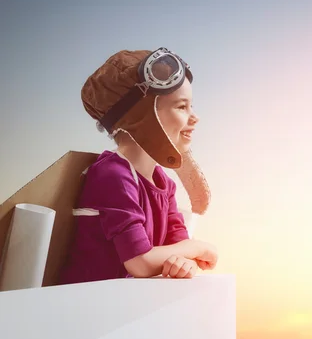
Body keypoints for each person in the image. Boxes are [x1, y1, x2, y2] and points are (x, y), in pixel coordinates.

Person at [59, 47, 218, 284]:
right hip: (87, 308)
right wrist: (194, 249)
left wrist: (186, 260)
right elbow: (140, 263)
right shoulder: (112, 175)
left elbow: (179, 248)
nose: (195, 117)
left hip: (126, 304)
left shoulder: (164, 183)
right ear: (144, 117)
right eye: (182, 107)